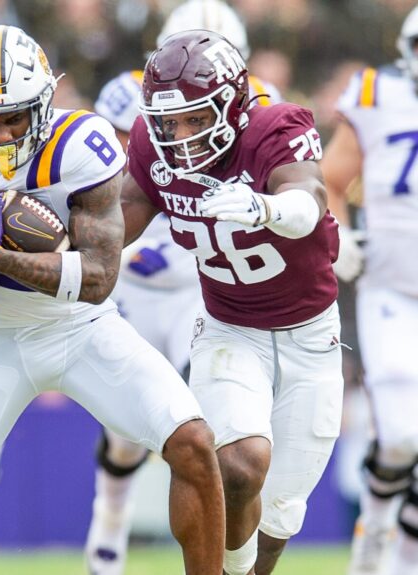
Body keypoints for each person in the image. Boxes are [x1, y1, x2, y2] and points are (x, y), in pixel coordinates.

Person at [0, 25, 226, 575]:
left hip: (82, 326)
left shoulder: (81, 142)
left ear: (44, 104)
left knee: (193, 443)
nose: (4, 134)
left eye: (15, 116)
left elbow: (100, 276)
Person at [121, 30, 344, 575]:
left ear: (234, 103)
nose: (181, 136)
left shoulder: (275, 126)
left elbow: (309, 199)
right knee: (240, 469)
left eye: (196, 119)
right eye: (170, 122)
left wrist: (265, 208)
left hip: (312, 336)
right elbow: (115, 222)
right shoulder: (152, 147)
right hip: (228, 328)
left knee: (281, 514)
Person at [85, 2, 285, 572]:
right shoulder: (132, 102)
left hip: (204, 282)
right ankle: (111, 517)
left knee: (200, 426)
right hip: (137, 283)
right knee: (128, 431)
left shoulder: (264, 110)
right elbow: (117, 187)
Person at [323, 6, 418, 574]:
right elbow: (332, 181)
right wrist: (341, 237)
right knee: (402, 437)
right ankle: (370, 548)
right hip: (394, 292)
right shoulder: (378, 96)